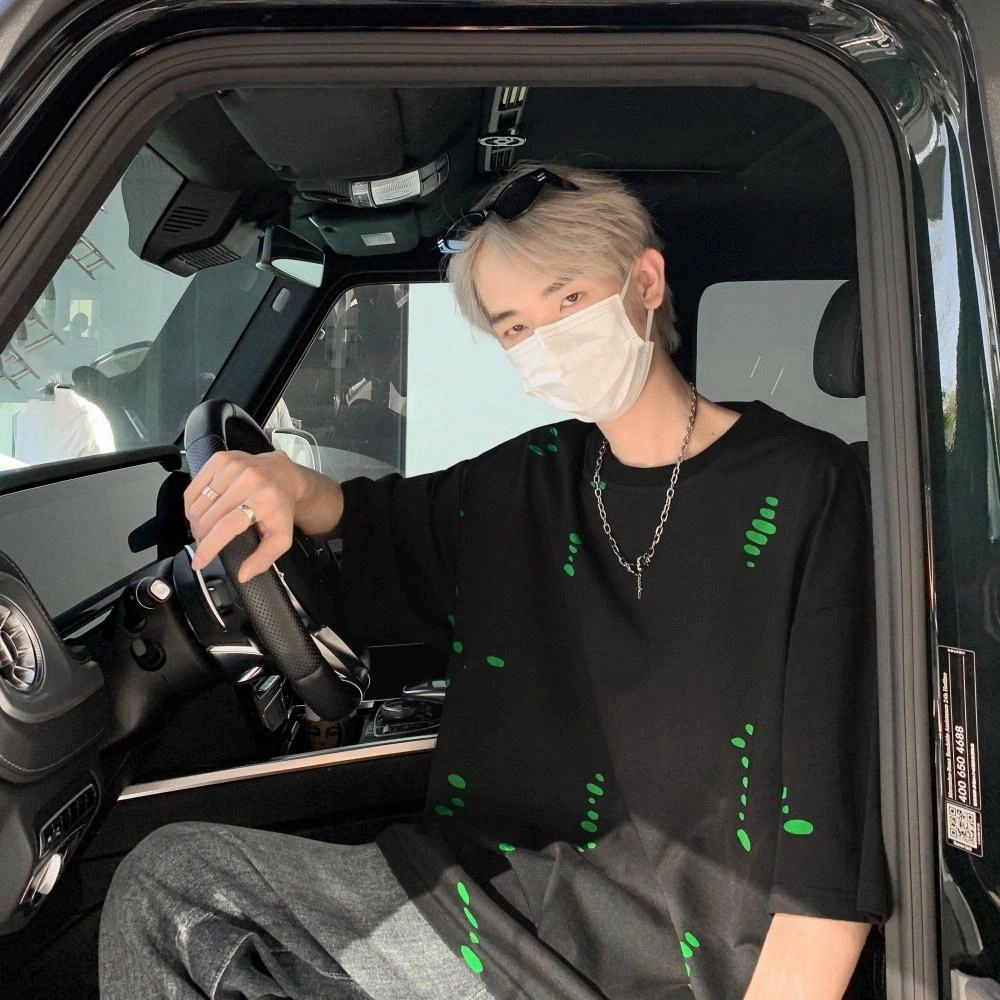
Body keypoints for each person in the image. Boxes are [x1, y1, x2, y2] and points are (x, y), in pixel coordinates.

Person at [98, 162, 890, 999]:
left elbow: (828, 847)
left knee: (167, 889)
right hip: (476, 903)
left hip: (661, 965)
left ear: (646, 282)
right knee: (177, 883)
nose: (547, 339)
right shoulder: (532, 477)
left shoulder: (807, 487)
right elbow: (378, 525)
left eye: (569, 300)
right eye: (516, 327)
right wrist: (287, 485)